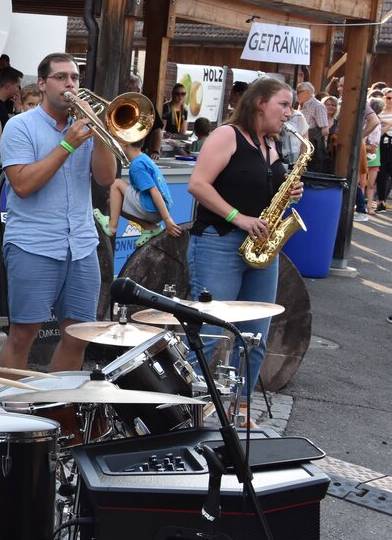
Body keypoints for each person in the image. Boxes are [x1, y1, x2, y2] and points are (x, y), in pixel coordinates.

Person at [186, 77, 302, 428]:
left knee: (255, 338)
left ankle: (240, 409)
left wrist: (289, 190)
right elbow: (198, 185)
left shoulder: (271, 144)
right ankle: (186, 409)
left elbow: (262, 190)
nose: (289, 112)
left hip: (261, 250)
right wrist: (239, 218)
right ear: (260, 103)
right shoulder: (227, 135)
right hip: (218, 243)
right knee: (208, 334)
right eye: (283, 104)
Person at [0, 53, 117, 371]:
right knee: (23, 335)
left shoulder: (84, 127)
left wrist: (102, 134)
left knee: (79, 336)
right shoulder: (19, 126)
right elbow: (22, 185)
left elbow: (106, 178)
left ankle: (57, 408)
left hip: (80, 244)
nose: (70, 84)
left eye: (75, 78)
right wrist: (66, 145)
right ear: (42, 83)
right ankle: (8, 413)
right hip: (33, 243)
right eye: (62, 77)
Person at [94, 138, 181, 247]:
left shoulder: (137, 165)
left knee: (116, 183)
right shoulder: (144, 158)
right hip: (155, 209)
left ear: (126, 143)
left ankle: (111, 226)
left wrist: (167, 219)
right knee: (114, 202)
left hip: (153, 209)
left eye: (119, 139)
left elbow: (154, 191)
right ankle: (150, 227)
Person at [279, 91, 310, 168]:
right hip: (279, 158)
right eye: (284, 105)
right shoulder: (276, 115)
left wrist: (300, 163)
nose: (288, 112)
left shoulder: (298, 116)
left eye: (290, 106)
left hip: (295, 160)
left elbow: (305, 140)